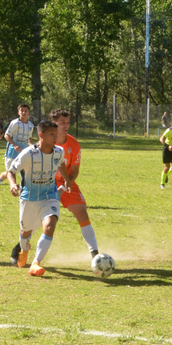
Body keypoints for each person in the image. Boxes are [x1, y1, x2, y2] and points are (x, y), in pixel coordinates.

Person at [6, 120, 73, 276]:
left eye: (56, 134)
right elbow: (11, 171)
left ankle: (35, 263)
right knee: (25, 232)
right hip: (28, 198)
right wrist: (12, 185)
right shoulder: (28, 153)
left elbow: (61, 164)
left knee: (50, 224)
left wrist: (67, 180)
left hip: (50, 195)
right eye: (51, 134)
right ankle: (24, 250)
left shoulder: (58, 151)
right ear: (41, 135)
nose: (55, 137)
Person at [51, 109, 100, 260]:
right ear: (54, 123)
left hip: (67, 182)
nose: (66, 125)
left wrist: (66, 185)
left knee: (82, 213)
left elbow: (75, 170)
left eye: (68, 122)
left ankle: (95, 254)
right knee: (42, 218)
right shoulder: (46, 141)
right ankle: (22, 247)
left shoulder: (74, 144)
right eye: (62, 122)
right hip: (47, 182)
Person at [0, 104, 35, 194]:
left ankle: (22, 192)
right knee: (10, 172)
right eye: (22, 111)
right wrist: (15, 145)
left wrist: (32, 147)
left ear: (28, 113)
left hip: (24, 152)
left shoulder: (31, 125)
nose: (23, 112)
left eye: (25, 111)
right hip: (12, 151)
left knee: (25, 171)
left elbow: (29, 139)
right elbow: (6, 135)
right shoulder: (15, 123)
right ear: (18, 112)